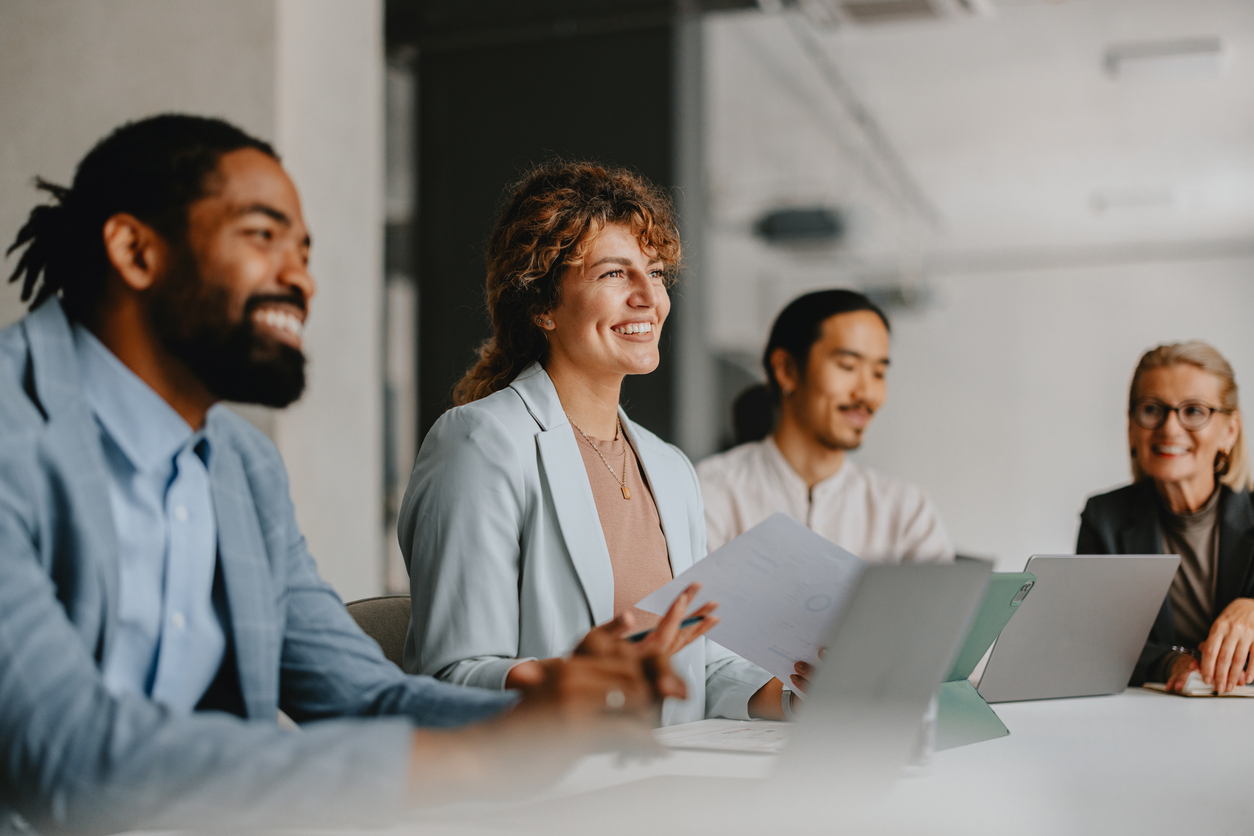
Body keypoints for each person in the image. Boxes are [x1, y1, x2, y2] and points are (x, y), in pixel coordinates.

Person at [0, 115, 690, 834]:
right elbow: (66, 756)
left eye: (304, 250)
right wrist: (476, 758)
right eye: (263, 236)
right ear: (136, 251)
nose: (300, 277)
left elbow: (363, 695)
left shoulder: (239, 464)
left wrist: (544, 708)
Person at [400, 161, 811, 724]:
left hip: (667, 782)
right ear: (542, 304)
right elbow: (451, 679)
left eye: (658, 272)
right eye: (614, 275)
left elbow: (700, 672)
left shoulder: (669, 469)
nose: (650, 297)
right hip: (546, 790)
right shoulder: (480, 443)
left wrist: (796, 695)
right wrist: (572, 681)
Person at [697, 289, 953, 562]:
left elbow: (949, 604)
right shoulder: (710, 490)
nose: (867, 393)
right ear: (787, 370)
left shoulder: (906, 509)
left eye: (879, 373)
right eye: (847, 366)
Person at [1077, 341, 1254, 693]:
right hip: (1149, 716)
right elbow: (1093, 641)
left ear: (1229, 432)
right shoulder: (1104, 518)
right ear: (1131, 427)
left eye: (1193, 411)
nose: (1170, 428)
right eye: (1151, 409)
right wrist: (1170, 662)